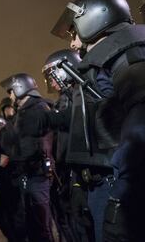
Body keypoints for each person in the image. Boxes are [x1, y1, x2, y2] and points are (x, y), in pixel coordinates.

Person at [49, 0, 145, 241]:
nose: (72, 43)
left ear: (94, 18)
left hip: (123, 186)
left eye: (74, 31)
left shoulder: (132, 52)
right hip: (105, 183)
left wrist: (122, 194)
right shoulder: (111, 56)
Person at [42, 49, 95, 242]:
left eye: (53, 75)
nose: (52, 82)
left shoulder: (77, 96)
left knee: (82, 225)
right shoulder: (66, 99)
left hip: (79, 170)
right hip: (67, 172)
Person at [0, 73, 54, 242]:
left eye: (11, 91)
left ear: (20, 88)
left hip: (36, 174)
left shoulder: (37, 108)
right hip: (30, 174)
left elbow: (33, 146)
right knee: (32, 225)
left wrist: (13, 156)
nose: (10, 96)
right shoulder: (26, 111)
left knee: (40, 226)